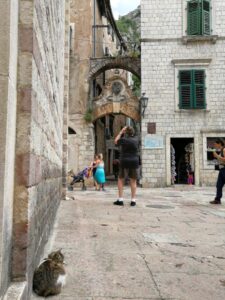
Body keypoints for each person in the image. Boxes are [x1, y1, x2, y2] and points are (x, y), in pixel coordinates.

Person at [114, 126, 139, 206]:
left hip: (124, 161)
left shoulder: (123, 140)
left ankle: (120, 200)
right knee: (133, 180)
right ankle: (133, 200)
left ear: (125, 132)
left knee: (121, 179)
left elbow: (115, 141)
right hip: (134, 161)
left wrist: (121, 132)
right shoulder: (136, 139)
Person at [210, 139, 225, 204]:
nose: (215, 145)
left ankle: (217, 199)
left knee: (219, 184)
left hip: (224, 169)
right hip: (221, 169)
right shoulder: (221, 150)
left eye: (215, 144)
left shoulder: (224, 150)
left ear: (219, 144)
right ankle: (217, 199)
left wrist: (217, 156)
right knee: (218, 185)